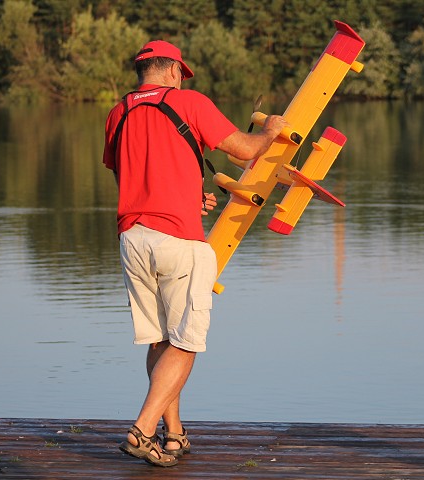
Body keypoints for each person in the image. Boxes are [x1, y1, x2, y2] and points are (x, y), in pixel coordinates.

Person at [102, 40, 288, 467]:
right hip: (179, 241)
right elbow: (245, 149)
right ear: (173, 71)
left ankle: (173, 435)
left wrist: (189, 196)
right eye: (181, 75)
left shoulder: (119, 111)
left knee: (161, 338)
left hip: (133, 236)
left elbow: (131, 174)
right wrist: (271, 131)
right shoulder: (189, 102)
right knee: (186, 342)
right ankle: (142, 430)